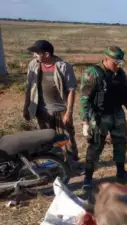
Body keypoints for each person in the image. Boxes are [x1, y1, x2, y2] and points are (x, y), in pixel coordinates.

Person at [79, 46, 127, 197]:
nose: (118, 65)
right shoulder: (93, 73)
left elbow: (125, 95)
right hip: (99, 115)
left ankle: (121, 172)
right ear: (106, 59)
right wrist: (85, 121)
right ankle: (88, 179)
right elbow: (84, 99)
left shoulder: (120, 74)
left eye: (120, 62)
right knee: (96, 146)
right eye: (115, 62)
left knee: (121, 142)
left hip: (117, 113)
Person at [23, 40, 80, 168]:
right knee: (47, 140)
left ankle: (72, 165)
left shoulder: (63, 66)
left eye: (37, 53)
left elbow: (71, 90)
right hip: (41, 110)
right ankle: (54, 164)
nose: (34, 56)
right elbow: (29, 87)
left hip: (60, 110)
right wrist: (26, 107)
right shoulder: (33, 65)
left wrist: (69, 112)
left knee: (66, 139)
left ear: (47, 54)